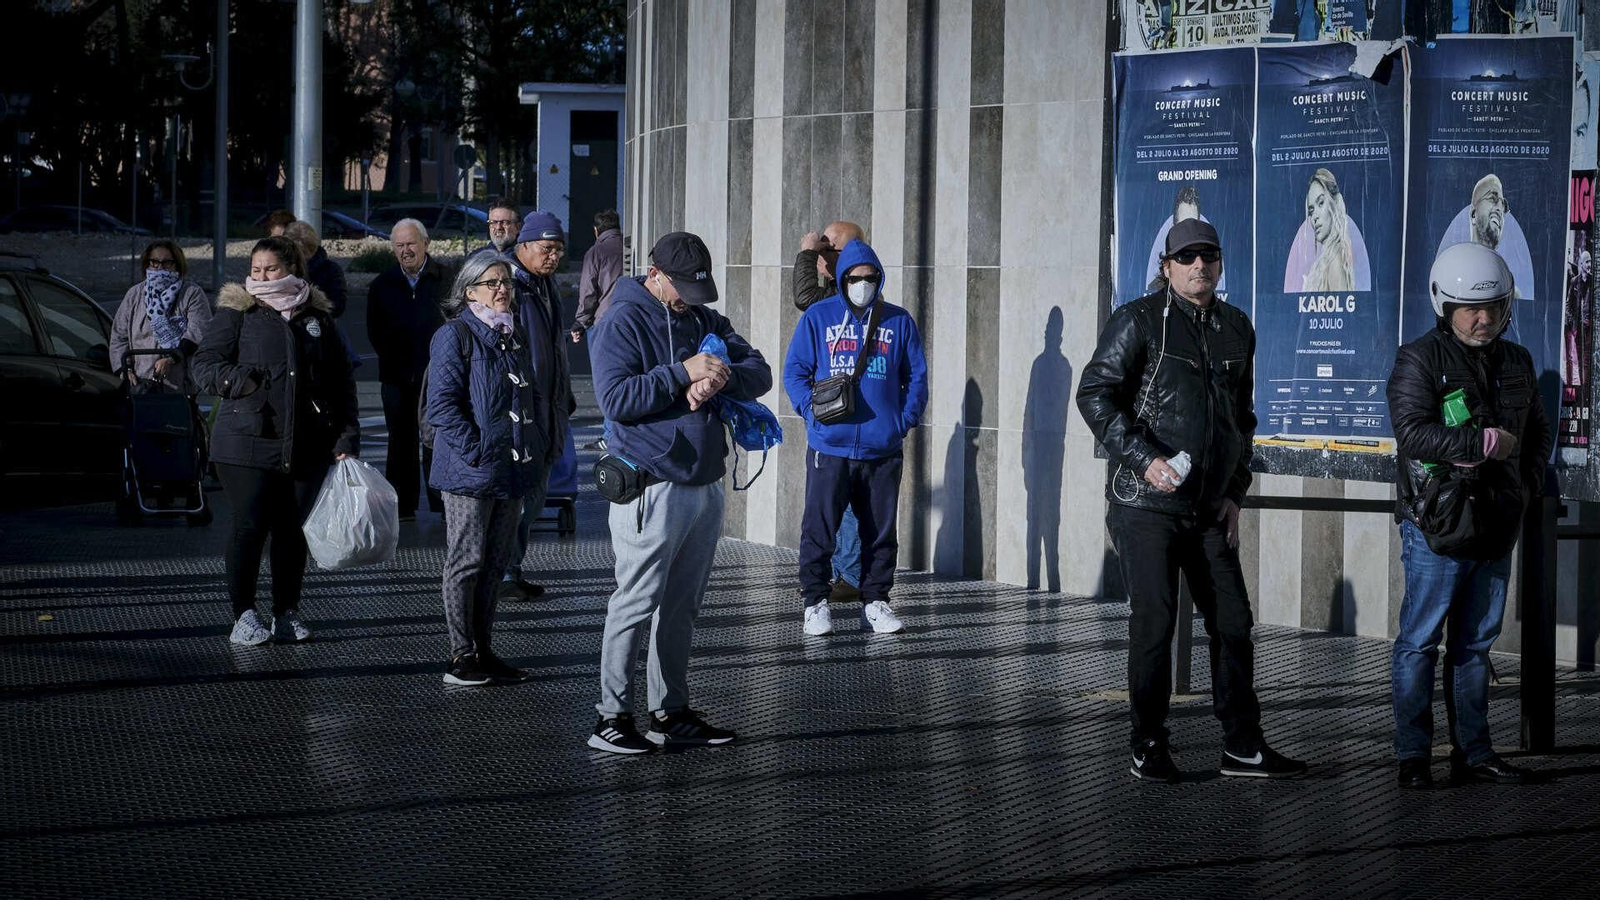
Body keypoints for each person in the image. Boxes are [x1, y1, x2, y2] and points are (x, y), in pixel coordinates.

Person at [1076, 218, 1306, 783]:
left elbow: (1242, 421)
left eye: (1208, 255)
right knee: (1156, 621)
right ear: (1167, 266)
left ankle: (1242, 746)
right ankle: (1148, 743)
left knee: (1233, 621)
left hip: (1207, 509)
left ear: (1220, 263)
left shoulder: (1236, 329)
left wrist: (1234, 493)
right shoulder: (1137, 320)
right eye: (1187, 257)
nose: (1198, 265)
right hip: (1144, 504)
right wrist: (1142, 458)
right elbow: (1095, 394)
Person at [586, 231, 772, 754]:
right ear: (655, 274)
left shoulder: (702, 319)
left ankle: (669, 711)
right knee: (636, 601)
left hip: (703, 482)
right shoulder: (622, 317)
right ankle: (611, 716)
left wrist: (718, 377)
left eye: (699, 288)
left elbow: (759, 371)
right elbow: (616, 397)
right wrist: (680, 373)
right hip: (650, 483)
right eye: (683, 288)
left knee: (682, 605)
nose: (691, 299)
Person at [1387, 242, 1552, 789]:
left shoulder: (1518, 361)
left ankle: (1474, 753)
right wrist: (1482, 441)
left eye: (1496, 307)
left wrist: (1524, 489)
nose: (1485, 319)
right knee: (1420, 642)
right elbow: (1411, 432)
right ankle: (1414, 755)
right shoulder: (1419, 358)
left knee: (1476, 646)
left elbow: (1537, 435)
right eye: (1470, 309)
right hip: (1437, 526)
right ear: (1444, 305)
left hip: (1497, 523)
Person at [192, 236, 359, 646]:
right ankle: (244, 615)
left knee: (290, 531)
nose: (262, 277)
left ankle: (286, 611)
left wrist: (347, 434)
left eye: (272, 269)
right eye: (256, 269)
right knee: (250, 526)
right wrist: (240, 382)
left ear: (293, 270)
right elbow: (205, 364)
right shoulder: (238, 310)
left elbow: (341, 381)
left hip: (307, 443)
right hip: (245, 441)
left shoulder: (317, 317)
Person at [783, 238, 927, 637]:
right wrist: (810, 412)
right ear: (843, 278)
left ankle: (876, 601)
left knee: (880, 531)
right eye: (855, 278)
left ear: (879, 279)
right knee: (819, 527)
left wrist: (904, 420)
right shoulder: (818, 316)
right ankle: (815, 603)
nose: (863, 284)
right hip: (829, 446)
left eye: (870, 278)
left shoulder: (899, 321)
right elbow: (794, 372)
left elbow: (916, 377)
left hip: (883, 447)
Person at [426, 254, 549, 686]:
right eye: (492, 282)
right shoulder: (454, 335)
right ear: (469, 291)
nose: (502, 290)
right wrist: (476, 451)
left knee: (495, 564)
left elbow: (529, 399)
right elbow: (441, 405)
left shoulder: (509, 336)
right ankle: (460, 655)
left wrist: (534, 445)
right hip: (470, 472)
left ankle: (484, 648)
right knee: (466, 562)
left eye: (507, 284)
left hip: (510, 470)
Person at [498, 210, 575, 602]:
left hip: (549, 410)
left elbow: (554, 349)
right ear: (524, 245)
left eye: (559, 250)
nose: (554, 256)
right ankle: (502, 573)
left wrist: (565, 396)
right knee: (517, 500)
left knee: (534, 497)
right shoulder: (508, 284)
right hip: (521, 413)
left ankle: (513, 568)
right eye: (547, 248)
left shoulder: (545, 285)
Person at [792, 220, 868, 602]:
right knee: (836, 502)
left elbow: (804, 297)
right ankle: (844, 572)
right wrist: (809, 409)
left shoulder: (851, 295)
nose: (823, 256)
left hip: (851, 422)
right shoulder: (839, 295)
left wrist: (807, 254)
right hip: (831, 417)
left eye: (829, 249)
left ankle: (850, 576)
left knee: (847, 504)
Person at [368, 218, 448, 521]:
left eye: (411, 244)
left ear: (425, 243)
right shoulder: (382, 284)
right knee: (399, 442)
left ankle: (442, 502)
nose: (405, 251)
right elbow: (374, 331)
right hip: (396, 377)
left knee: (438, 440)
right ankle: (402, 506)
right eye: (399, 246)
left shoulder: (446, 278)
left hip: (438, 377)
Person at [110, 240, 213, 393]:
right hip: (140, 385)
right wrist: (125, 370)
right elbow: (119, 336)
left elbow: (198, 333)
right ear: (147, 264)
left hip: (180, 386)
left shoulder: (191, 293)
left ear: (177, 264)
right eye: (154, 262)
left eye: (167, 263)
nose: (160, 268)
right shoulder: (134, 295)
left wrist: (172, 358)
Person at [572, 208, 623, 342]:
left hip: (604, 320)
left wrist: (581, 321)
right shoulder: (631, 247)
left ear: (596, 230)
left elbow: (588, 292)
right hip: (632, 318)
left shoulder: (595, 252)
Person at [1302, 167, 1355, 292]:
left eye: (1321, 203)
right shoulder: (1326, 259)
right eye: (1311, 210)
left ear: (1333, 203)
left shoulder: (1334, 259)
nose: (1315, 217)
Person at [284, 220, 349, 318]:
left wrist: (310, 299)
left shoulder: (331, 270)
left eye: (303, 253)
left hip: (318, 325)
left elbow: (337, 307)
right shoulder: (279, 267)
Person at [467, 196, 521, 261]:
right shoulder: (476, 257)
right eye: (493, 222)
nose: (498, 227)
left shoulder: (526, 259)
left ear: (517, 227)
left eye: (505, 222)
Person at [1470, 174, 1508, 252]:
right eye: (1492, 198)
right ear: (1474, 214)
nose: (1499, 209)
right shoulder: (1456, 261)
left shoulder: (1503, 264)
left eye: (1502, 206)